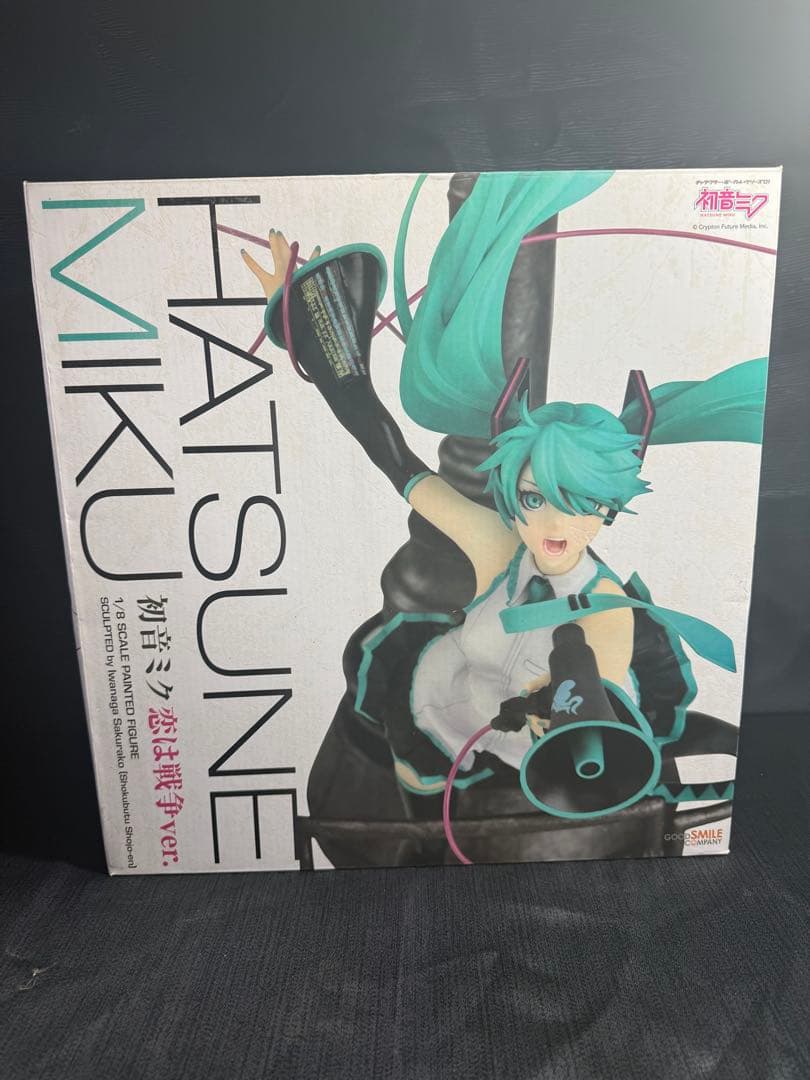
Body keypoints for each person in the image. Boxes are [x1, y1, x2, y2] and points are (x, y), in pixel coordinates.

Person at [241, 172, 764, 809]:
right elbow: (395, 460)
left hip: (556, 747)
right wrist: (323, 342)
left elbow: (592, 684)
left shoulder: (606, 609)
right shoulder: (496, 543)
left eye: (581, 505)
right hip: (461, 701)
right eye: (535, 499)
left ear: (607, 510)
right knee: (406, 762)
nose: (554, 525)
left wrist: (560, 707)